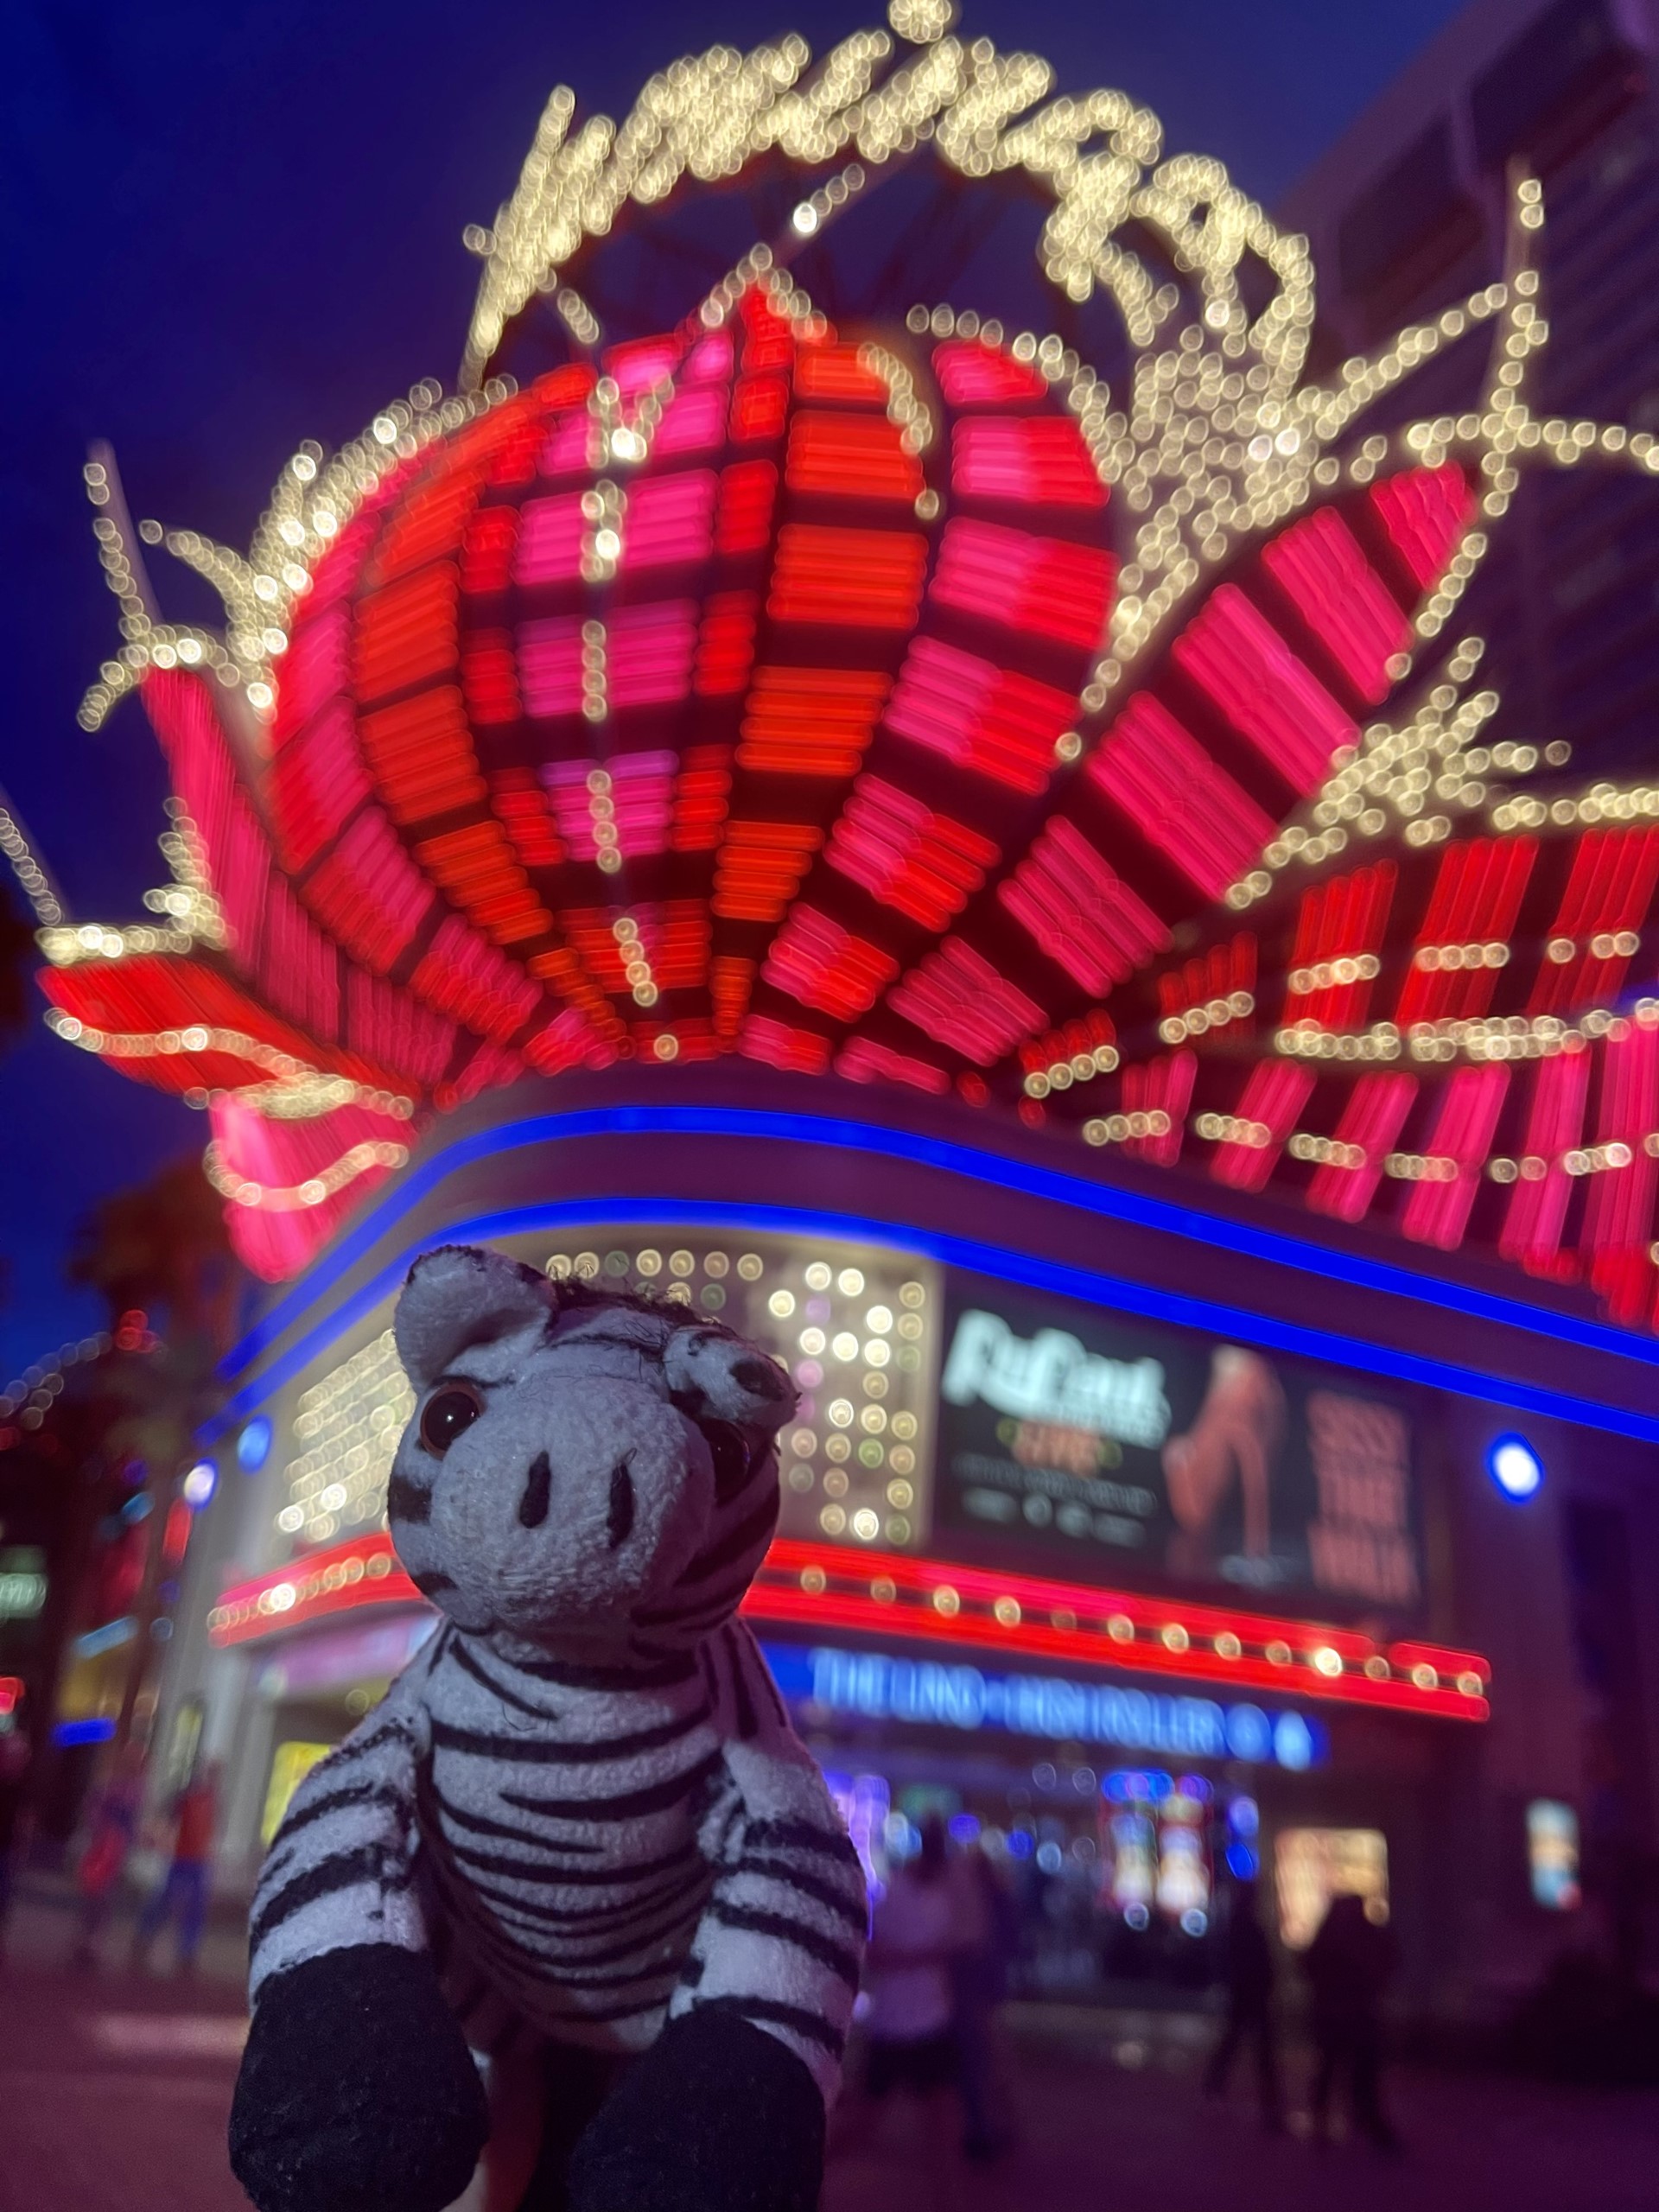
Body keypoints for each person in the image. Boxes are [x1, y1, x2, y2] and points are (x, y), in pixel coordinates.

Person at [854, 1815, 967, 2204]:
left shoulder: (942, 1895)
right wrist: (926, 1958)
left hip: (931, 2022)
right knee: (863, 2124)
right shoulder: (897, 1893)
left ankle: (947, 2201)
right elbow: (875, 1956)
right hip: (894, 2025)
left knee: (940, 2128)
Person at [1304, 1891, 1400, 2151]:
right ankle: (1363, 2122)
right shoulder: (1355, 1936)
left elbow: (1310, 1968)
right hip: (1350, 2014)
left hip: (1344, 2014)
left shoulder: (1333, 1937)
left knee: (1342, 2070)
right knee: (1348, 2070)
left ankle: (1355, 2120)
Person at [949, 1839, 1020, 2161]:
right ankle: (993, 2124)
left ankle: (984, 2127)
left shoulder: (974, 1901)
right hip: (986, 1986)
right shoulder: (996, 1897)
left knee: (978, 2059)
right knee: (988, 2058)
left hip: (975, 1984)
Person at [1202, 1878, 1282, 2130]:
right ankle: (1269, 2103)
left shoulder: (1236, 1925)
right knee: (1260, 2050)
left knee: (1237, 2043)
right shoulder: (1249, 1926)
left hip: (1245, 1993)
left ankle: (1215, 2085)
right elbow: (1257, 1962)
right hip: (1252, 1993)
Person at [133, 1760, 219, 1974]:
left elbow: (209, 1829)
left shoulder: (212, 1799)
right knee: (164, 1900)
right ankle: (144, 1936)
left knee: (195, 1908)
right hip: (181, 1857)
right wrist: (159, 1837)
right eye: (211, 1772)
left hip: (200, 1860)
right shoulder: (186, 1796)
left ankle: (187, 1952)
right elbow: (167, 1817)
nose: (213, 1778)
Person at [73, 1743, 144, 1966]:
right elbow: (93, 1810)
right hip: (103, 1844)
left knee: (104, 1896)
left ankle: (92, 1941)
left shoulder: (134, 1789)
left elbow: (133, 1822)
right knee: (93, 1892)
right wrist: (101, 1831)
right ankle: (86, 1939)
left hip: (116, 1848)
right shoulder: (110, 1784)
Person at [0, 1728, 33, 1963]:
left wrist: (23, 1845)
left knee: (4, 1894)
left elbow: (25, 1818)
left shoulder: (22, 1786)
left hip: (7, 1846)